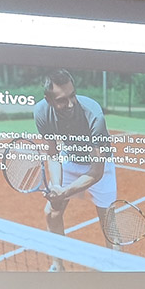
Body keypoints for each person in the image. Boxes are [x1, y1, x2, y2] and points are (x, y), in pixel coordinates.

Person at [33, 69, 117, 269]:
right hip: (69, 159)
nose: (70, 103)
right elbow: (53, 155)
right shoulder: (41, 112)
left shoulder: (94, 114)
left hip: (99, 165)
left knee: (109, 224)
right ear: (49, 99)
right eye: (62, 100)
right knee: (52, 213)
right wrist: (56, 187)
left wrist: (66, 192)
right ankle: (58, 265)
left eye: (73, 95)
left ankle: (117, 269)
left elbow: (96, 171)